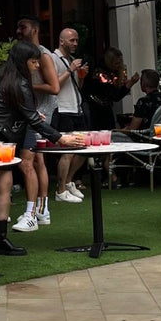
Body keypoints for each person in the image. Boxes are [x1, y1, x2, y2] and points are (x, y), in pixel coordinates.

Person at [0, 41, 84, 264]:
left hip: (2, 135)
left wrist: (31, 116)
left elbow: (18, 111)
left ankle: (0, 239)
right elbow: (32, 119)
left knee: (4, 187)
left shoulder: (7, 76)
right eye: (33, 62)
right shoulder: (18, 82)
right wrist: (60, 137)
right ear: (22, 61)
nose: (37, 66)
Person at [12, 16, 60, 233]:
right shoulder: (21, 51)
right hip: (28, 113)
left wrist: (28, 86)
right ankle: (41, 210)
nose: (19, 30)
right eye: (18, 27)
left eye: (23, 26)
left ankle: (37, 211)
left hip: (41, 114)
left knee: (32, 161)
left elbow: (54, 87)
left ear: (35, 29)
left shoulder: (43, 54)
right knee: (35, 161)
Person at [50, 27, 87, 203]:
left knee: (82, 149)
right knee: (68, 152)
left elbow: (76, 87)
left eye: (76, 40)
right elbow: (54, 85)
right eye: (72, 40)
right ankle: (61, 190)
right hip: (63, 109)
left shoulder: (71, 59)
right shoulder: (52, 58)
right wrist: (71, 69)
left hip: (76, 107)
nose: (75, 43)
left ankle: (69, 181)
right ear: (61, 41)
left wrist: (81, 75)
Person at [84, 47, 140, 131]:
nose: (119, 66)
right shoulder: (100, 74)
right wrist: (129, 84)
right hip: (96, 109)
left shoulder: (116, 72)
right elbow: (115, 95)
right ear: (110, 62)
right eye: (116, 63)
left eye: (120, 63)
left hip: (107, 107)